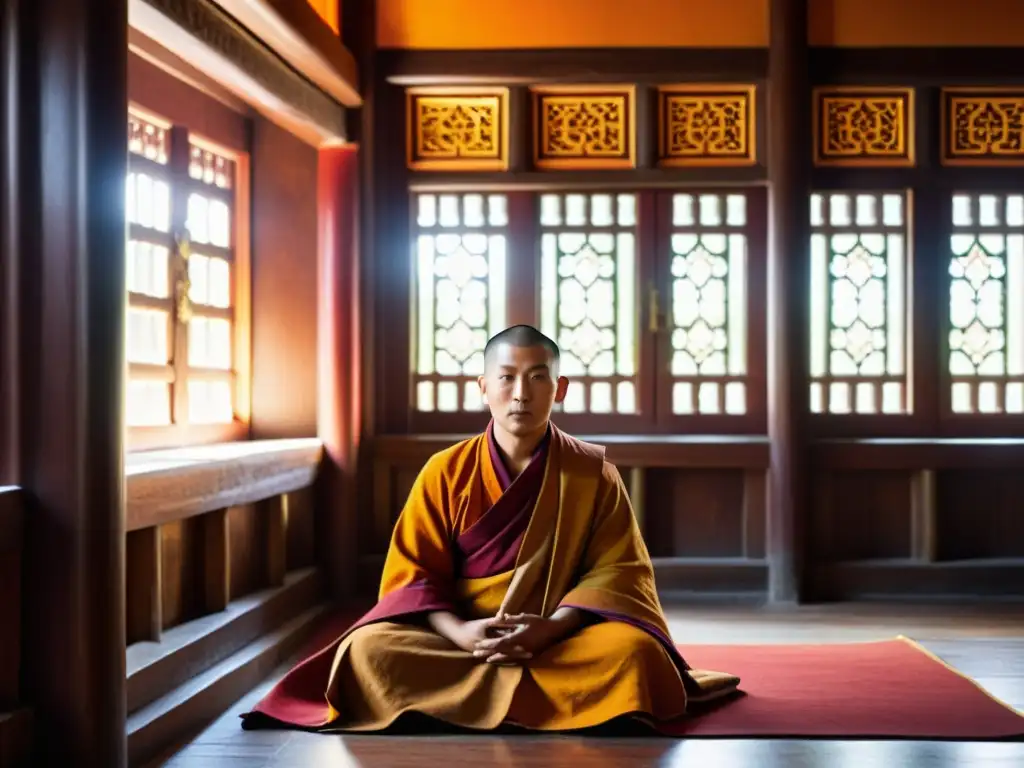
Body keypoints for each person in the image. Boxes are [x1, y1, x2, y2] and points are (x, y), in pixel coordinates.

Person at [241, 325, 739, 733]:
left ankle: (452, 707)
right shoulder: (445, 470)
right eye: (506, 378)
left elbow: (619, 572)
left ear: (559, 388)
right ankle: (557, 706)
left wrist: (551, 628)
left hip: (558, 639)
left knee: (635, 654)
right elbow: (414, 575)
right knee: (367, 652)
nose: (520, 393)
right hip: (460, 637)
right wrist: (460, 633)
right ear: (483, 387)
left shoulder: (590, 472)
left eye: (537, 377)